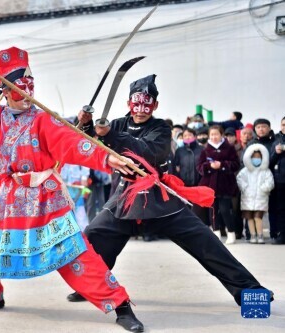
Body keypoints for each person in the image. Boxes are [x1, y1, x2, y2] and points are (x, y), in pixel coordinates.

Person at [0, 45, 144, 332]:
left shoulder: (44, 119)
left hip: (44, 198)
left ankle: (120, 305)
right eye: (20, 85)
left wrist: (107, 156)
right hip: (8, 201)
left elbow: (72, 143)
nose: (28, 89)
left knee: (73, 255)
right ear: (5, 89)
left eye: (31, 83)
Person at [70, 74, 271, 308]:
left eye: (147, 104)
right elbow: (88, 144)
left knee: (206, 243)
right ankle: (90, 287)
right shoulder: (115, 124)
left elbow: (146, 151)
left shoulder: (161, 128)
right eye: (137, 104)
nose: (141, 109)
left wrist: (110, 135)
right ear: (128, 104)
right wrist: (84, 123)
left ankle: (250, 292)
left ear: (155, 105)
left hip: (159, 198)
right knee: (93, 236)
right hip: (124, 198)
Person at [197, 125, 240, 244]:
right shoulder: (206, 149)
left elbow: (236, 164)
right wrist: (209, 166)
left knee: (226, 209)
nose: (214, 137)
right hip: (210, 184)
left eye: (216, 134)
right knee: (213, 210)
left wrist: (222, 165)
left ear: (221, 135)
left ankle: (231, 232)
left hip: (225, 184)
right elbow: (199, 167)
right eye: (212, 135)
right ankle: (216, 234)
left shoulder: (229, 148)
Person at [236, 144, 274, 244]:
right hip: (247, 199)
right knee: (249, 218)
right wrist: (245, 188)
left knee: (258, 217)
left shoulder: (266, 171)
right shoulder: (245, 171)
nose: (256, 159)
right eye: (253, 157)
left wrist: (263, 189)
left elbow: (270, 182)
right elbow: (239, 179)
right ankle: (253, 235)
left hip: (260, 199)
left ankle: (260, 235)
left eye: (258, 157)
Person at [270, 116, 285, 244]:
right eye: (283, 125)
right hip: (280, 180)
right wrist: (276, 153)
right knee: (280, 209)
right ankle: (282, 234)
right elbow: (269, 162)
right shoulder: (276, 140)